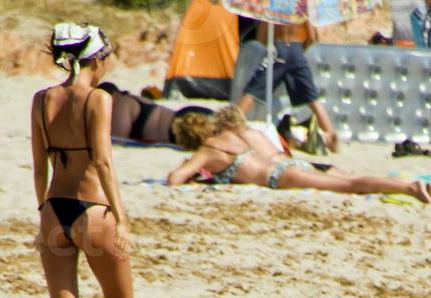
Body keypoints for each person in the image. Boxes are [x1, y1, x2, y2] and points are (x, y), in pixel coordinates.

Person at [31, 22, 133, 298]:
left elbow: (38, 166)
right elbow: (102, 161)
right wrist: (121, 219)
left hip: (53, 209)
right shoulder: (97, 98)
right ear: (97, 60)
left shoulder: (42, 99)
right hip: (92, 212)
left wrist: (41, 212)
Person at [167, 106, 431, 203]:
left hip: (280, 176)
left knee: (349, 186)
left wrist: (190, 171)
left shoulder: (206, 151)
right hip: (289, 163)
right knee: (350, 179)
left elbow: (174, 179)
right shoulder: (234, 134)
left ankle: (409, 187)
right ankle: (407, 185)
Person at [237, 21, 339, 152]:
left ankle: (231, 125)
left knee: (252, 92)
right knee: (312, 99)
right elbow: (312, 38)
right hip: (297, 50)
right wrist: (299, 52)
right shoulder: (300, 6)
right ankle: (330, 136)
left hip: (277, 49)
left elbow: (261, 39)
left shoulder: (273, 5)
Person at [98, 80, 213, 145]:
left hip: (180, 127)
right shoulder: (131, 99)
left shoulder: (121, 103)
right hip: (184, 116)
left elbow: (119, 140)